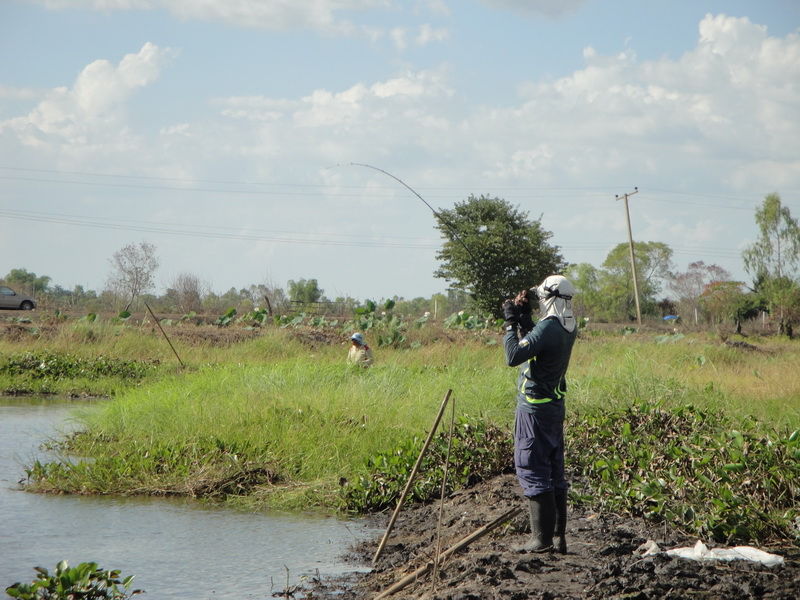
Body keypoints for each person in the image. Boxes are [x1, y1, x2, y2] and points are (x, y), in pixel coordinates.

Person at [502, 275, 578, 554]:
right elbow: (541, 342)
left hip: (534, 410)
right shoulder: (567, 325)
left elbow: (513, 356)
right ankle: (558, 538)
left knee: (532, 467)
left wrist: (510, 323)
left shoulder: (549, 327)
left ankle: (540, 539)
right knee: (554, 471)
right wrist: (524, 319)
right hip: (554, 408)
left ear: (550, 298)